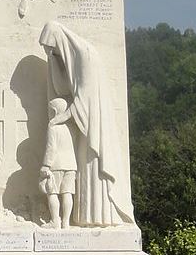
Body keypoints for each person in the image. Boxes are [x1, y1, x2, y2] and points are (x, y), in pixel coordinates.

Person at [39, 21, 134, 226]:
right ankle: (83, 218)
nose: (52, 53)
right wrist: (54, 62)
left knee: (93, 165)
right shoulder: (73, 56)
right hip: (84, 123)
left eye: (52, 49)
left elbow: (84, 97)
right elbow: (64, 88)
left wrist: (59, 119)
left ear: (59, 41)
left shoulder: (85, 55)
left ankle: (101, 217)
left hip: (93, 123)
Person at [39, 97, 77, 228]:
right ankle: (66, 222)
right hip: (71, 164)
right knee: (67, 193)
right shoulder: (71, 128)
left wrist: (46, 165)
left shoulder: (53, 127)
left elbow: (51, 148)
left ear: (54, 112)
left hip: (56, 165)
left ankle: (55, 221)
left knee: (52, 192)